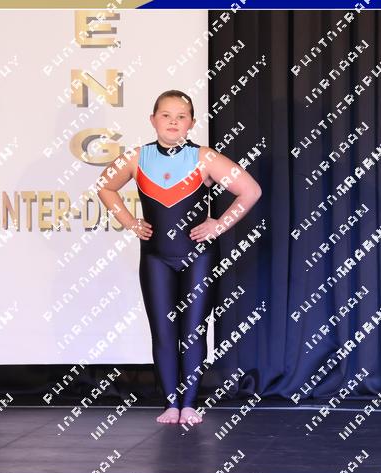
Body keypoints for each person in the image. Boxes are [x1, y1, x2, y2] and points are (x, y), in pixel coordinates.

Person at [97, 90, 261, 426]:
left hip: (198, 257)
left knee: (194, 331)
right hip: (156, 258)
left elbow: (250, 190)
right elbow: (105, 185)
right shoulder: (137, 157)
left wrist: (219, 225)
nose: (173, 122)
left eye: (181, 116)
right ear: (153, 120)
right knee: (163, 331)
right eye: (166, 115)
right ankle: (171, 404)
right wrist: (129, 222)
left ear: (192, 122)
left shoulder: (205, 158)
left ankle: (189, 404)